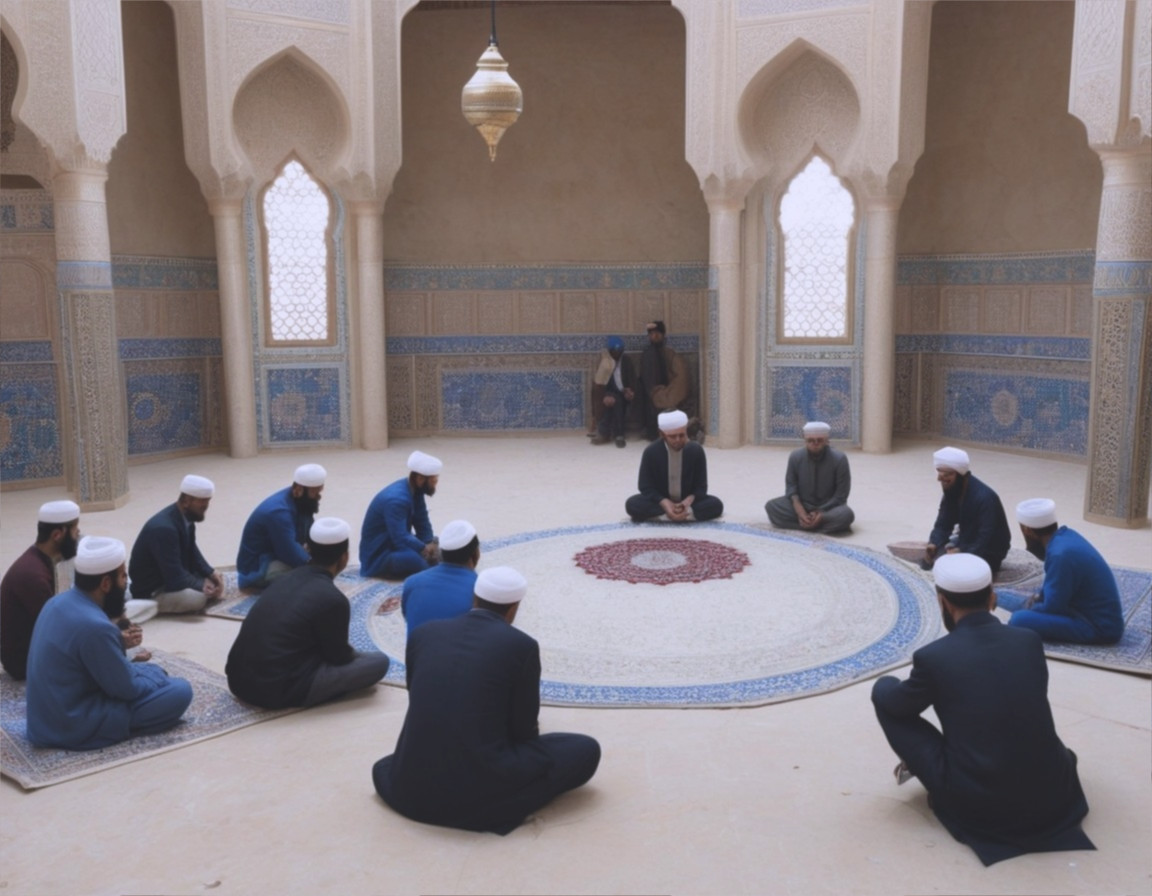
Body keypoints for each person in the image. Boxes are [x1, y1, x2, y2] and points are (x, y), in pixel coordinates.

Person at [871, 553, 1094, 866]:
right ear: (992, 598)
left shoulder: (934, 657)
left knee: (884, 692)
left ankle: (922, 767)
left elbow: (896, 705)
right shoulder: (1028, 640)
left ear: (943, 602)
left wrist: (887, 684)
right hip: (1053, 794)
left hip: (983, 804)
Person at [372, 566, 601, 834]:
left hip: (409, 791)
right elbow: (523, 731)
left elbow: (419, 698)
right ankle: (487, 803)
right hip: (479, 785)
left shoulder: (426, 634)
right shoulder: (521, 646)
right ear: (513, 609)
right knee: (584, 750)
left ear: (475, 598)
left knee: (387, 765)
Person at [25, 536, 193, 750]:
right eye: (123, 577)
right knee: (179, 690)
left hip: (42, 721)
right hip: (70, 724)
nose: (126, 584)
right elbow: (127, 690)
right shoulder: (96, 626)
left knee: (144, 672)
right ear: (105, 583)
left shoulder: (56, 602)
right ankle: (119, 728)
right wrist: (156, 674)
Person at [226, 518, 391, 709]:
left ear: (307, 549)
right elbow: (338, 658)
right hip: (276, 691)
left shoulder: (284, 579)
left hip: (238, 682)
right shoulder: (333, 599)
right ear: (344, 558)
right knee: (378, 662)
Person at [1008, 498, 1125, 644]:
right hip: (1089, 612)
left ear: (1027, 530)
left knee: (1018, 619)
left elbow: (1052, 607)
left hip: (1100, 628)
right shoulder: (1066, 537)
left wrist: (1033, 608)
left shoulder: (1060, 555)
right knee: (1019, 602)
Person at [1, 500, 81, 680]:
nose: (77, 535)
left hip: (35, 649)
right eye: (75, 530)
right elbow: (57, 629)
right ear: (57, 535)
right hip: (24, 663)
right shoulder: (32, 575)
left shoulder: (40, 560)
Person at [128, 474, 223, 614]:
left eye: (207, 502)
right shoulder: (164, 528)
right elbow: (175, 579)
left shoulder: (187, 517)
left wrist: (211, 573)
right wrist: (201, 585)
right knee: (198, 598)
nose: (206, 507)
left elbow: (192, 553)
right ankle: (144, 606)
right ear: (186, 501)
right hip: (152, 589)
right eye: (202, 502)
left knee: (210, 581)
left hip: (168, 577)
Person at [236, 463, 327, 590]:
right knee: (310, 576)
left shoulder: (299, 500)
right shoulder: (278, 513)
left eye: (319, 491)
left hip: (276, 554)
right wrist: (314, 566)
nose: (318, 496)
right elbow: (289, 552)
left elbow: (306, 530)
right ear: (300, 489)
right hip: (257, 569)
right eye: (314, 492)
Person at [921, 447, 1010, 573]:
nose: (941, 480)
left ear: (961, 475)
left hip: (989, 549)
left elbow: (986, 537)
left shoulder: (985, 498)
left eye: (947, 475)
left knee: (952, 571)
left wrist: (962, 551)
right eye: (940, 475)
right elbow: (943, 523)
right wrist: (933, 543)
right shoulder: (952, 491)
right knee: (930, 560)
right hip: (966, 538)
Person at [625, 410, 723, 522]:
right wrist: (664, 503)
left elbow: (701, 487)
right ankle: (674, 515)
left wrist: (687, 502)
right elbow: (645, 487)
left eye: (681, 435)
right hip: (661, 501)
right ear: (662, 435)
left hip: (687, 502)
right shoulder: (651, 452)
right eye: (672, 436)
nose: (678, 440)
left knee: (716, 505)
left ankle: (675, 515)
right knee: (632, 504)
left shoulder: (696, 451)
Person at [359, 450, 442, 579]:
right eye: (433, 481)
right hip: (382, 555)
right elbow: (400, 538)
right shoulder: (397, 500)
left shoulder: (416, 490)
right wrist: (423, 548)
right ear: (420, 479)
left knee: (441, 545)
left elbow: (422, 520)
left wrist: (428, 542)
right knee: (420, 563)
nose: (435, 485)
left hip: (397, 543)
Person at [764, 421, 854, 534]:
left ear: (827, 441)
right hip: (803, 505)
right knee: (772, 507)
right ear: (805, 441)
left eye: (819, 440)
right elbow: (791, 488)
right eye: (811, 440)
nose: (815, 444)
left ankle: (809, 524)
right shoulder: (795, 457)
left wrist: (821, 513)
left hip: (829, 507)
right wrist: (799, 510)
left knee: (846, 514)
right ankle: (815, 526)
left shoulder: (839, 459)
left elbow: (841, 495)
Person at [402, 519, 480, 635]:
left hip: (417, 652)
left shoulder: (411, 582)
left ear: (441, 554)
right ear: (475, 554)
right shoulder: (480, 589)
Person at [637, 321, 689, 441]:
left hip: (667, 393)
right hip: (651, 396)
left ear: (663, 335)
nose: (654, 336)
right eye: (651, 334)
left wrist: (667, 393)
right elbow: (647, 382)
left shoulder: (669, 354)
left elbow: (680, 378)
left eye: (657, 333)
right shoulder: (648, 354)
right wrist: (657, 393)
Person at [590, 336, 635, 447]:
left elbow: (633, 381)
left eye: (619, 351)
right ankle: (619, 434)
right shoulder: (604, 363)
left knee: (617, 399)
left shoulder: (626, 362)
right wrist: (605, 396)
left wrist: (630, 391)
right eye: (614, 351)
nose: (617, 354)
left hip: (624, 393)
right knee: (615, 400)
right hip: (609, 393)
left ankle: (604, 433)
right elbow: (599, 384)